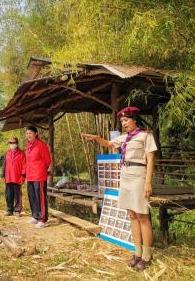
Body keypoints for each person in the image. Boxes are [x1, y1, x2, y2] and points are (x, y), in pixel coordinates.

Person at [81, 106, 157, 271]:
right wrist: (95, 138)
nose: (124, 123)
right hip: (125, 175)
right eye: (122, 120)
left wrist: (148, 182)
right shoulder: (124, 138)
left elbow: (150, 160)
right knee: (131, 214)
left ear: (135, 119)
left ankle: (147, 255)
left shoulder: (145, 135)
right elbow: (108, 143)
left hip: (139, 175)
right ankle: (137, 252)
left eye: (126, 120)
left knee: (143, 215)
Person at [25, 126, 52, 229]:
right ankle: (35, 216)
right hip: (30, 175)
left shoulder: (41, 145)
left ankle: (43, 219)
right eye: (27, 134)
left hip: (39, 175)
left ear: (36, 134)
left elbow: (47, 160)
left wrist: (41, 169)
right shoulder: (28, 145)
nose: (28, 135)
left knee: (40, 197)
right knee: (32, 196)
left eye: (30, 133)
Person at [1, 137, 26, 216]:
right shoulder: (7, 153)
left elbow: (24, 165)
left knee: (17, 195)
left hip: (17, 178)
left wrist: (23, 175)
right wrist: (3, 174)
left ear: (17, 143)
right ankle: (9, 209)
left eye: (13, 142)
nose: (12, 144)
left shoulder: (21, 153)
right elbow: (4, 165)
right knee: (8, 195)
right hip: (8, 177)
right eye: (10, 143)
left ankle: (17, 210)